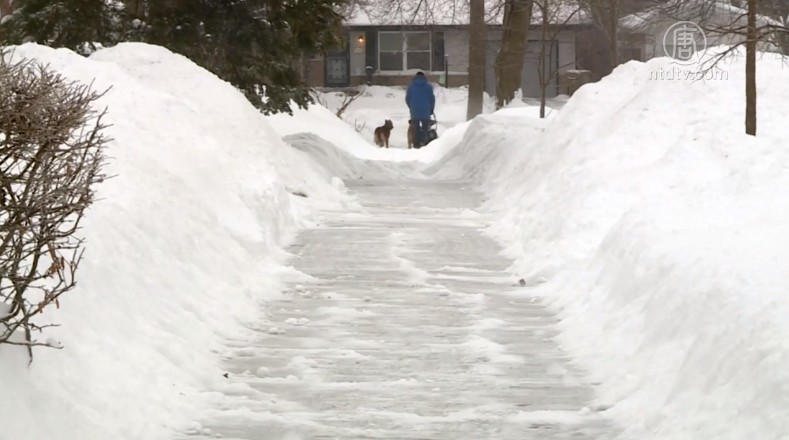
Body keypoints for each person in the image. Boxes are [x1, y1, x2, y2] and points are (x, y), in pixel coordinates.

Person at [405, 71, 435, 148]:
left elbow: (407, 99)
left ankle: (416, 144)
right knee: (425, 127)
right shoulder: (429, 87)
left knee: (415, 128)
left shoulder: (411, 87)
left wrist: (411, 107)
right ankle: (424, 143)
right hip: (426, 111)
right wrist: (431, 109)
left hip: (415, 111)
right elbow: (432, 99)